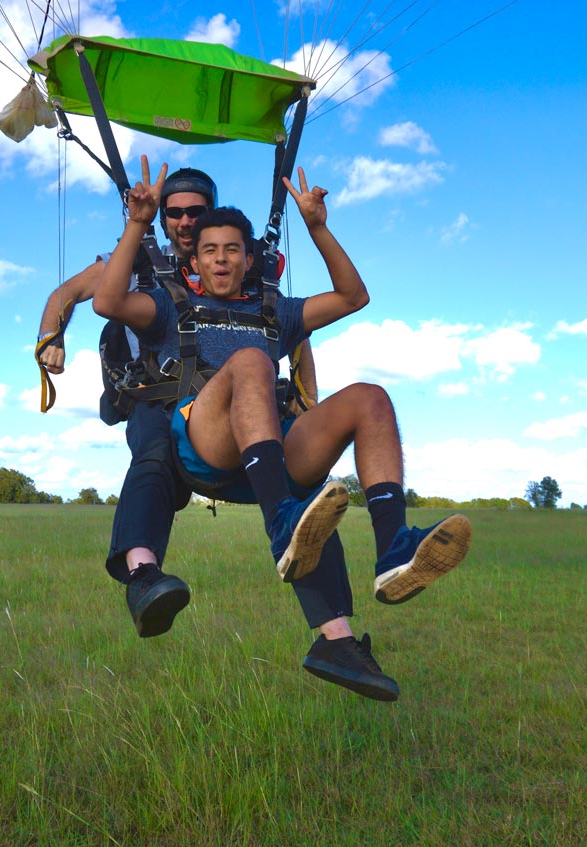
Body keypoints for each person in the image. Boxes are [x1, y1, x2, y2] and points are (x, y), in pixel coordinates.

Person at [94, 156, 472, 701]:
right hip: (202, 441)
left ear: (250, 259)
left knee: (370, 399)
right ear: (194, 261)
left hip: (264, 450)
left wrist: (319, 227)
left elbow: (353, 297)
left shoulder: (277, 310)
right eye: (209, 251)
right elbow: (107, 302)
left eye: (232, 251)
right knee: (251, 362)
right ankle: (282, 527)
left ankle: (390, 555)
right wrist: (137, 223)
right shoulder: (169, 304)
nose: (221, 260)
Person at [34, 168, 331, 640]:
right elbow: (67, 294)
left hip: (225, 400)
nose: (186, 222)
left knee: (305, 478)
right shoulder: (137, 261)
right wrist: (51, 337)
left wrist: (305, 396)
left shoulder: (238, 264)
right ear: (165, 216)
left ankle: (335, 634)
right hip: (159, 395)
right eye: (176, 213)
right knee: (154, 458)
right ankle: (143, 576)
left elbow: (284, 330)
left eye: (196, 211)